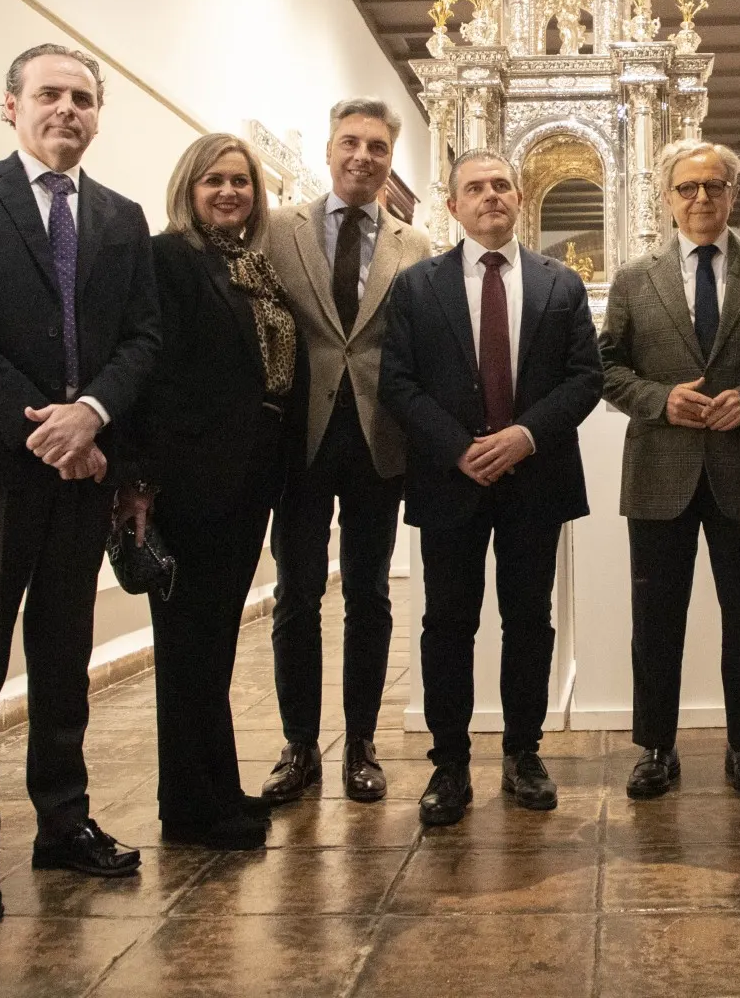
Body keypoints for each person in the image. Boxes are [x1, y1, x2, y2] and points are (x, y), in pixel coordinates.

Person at [0, 44, 160, 926]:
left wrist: (89, 415)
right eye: (49, 94)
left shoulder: (123, 219)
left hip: (85, 470)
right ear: (10, 105)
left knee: (64, 658)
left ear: (98, 116)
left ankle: (63, 821)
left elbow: (143, 340)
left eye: (83, 98)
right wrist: (47, 426)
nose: (67, 110)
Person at [378, 150, 603, 825]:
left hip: (535, 478)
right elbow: (397, 382)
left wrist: (523, 436)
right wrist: (458, 448)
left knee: (529, 622)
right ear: (453, 206)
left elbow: (584, 377)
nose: (490, 197)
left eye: (501, 185)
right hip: (452, 481)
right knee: (447, 623)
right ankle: (449, 765)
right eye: (474, 188)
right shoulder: (417, 286)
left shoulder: (561, 284)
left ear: (521, 195)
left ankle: (523, 752)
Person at [599, 141, 740, 800]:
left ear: (732, 193)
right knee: (655, 620)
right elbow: (606, 367)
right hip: (660, 470)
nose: (700, 199)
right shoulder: (636, 278)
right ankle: (656, 747)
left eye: (713, 186)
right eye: (686, 188)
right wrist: (662, 400)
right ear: (666, 199)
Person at [112, 134, 296, 850]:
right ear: (188, 187)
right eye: (214, 180)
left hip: (246, 478)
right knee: (188, 645)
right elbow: (149, 374)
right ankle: (190, 809)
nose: (229, 192)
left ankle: (218, 788)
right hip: (189, 481)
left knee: (214, 642)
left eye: (242, 182)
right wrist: (139, 482)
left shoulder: (252, 267)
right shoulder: (169, 259)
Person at [260, 98, 433, 805]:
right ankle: (299, 744)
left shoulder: (415, 247)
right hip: (296, 438)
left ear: (391, 160)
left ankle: (360, 743)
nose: (363, 156)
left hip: (377, 439)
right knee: (296, 594)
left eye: (378, 147)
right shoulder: (274, 229)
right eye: (351, 143)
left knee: (369, 595)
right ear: (329, 150)